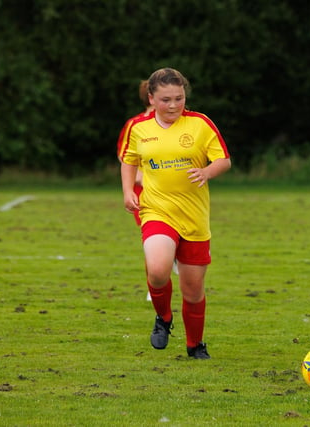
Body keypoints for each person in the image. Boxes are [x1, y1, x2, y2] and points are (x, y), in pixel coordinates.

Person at [118, 68, 231, 359]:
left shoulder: (200, 123)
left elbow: (224, 160)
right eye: (166, 99)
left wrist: (207, 171)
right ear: (151, 99)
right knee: (157, 270)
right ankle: (164, 317)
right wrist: (128, 191)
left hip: (194, 217)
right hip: (157, 210)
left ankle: (195, 345)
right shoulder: (138, 128)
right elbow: (129, 160)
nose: (173, 105)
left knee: (193, 291)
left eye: (178, 98)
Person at [117, 80, 154, 226]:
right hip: (144, 192)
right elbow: (124, 156)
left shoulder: (175, 123)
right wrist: (139, 177)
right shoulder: (135, 124)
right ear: (151, 97)